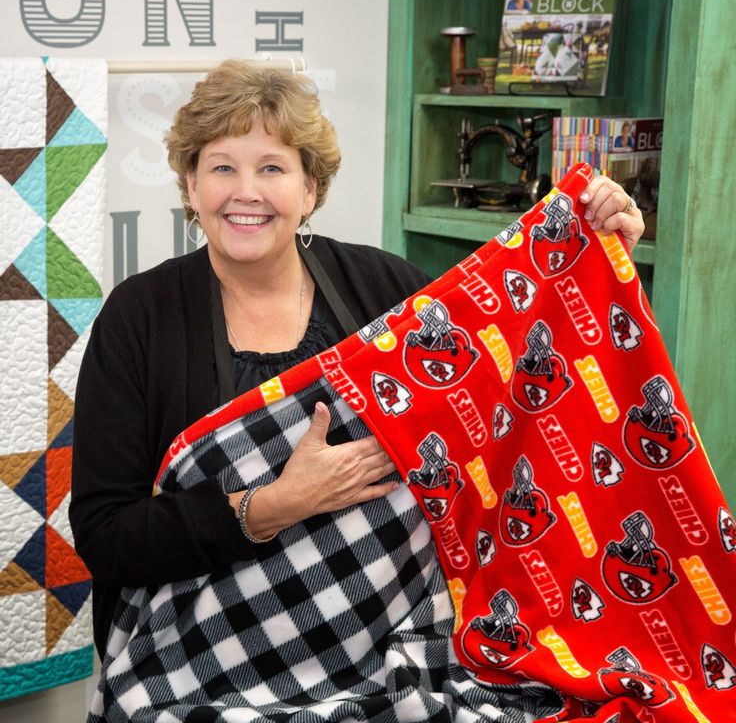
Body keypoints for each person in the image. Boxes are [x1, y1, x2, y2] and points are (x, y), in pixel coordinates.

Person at [69, 60, 644, 714]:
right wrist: (274, 505)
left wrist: (595, 248)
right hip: (201, 664)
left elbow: (518, 377)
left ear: (310, 188)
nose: (245, 191)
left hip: (390, 646)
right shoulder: (140, 318)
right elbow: (105, 533)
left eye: (272, 168)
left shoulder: (386, 294)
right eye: (222, 167)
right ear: (191, 185)